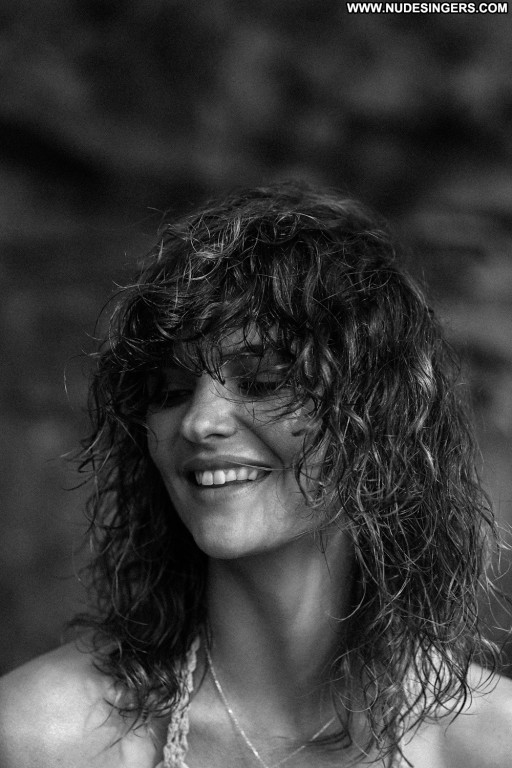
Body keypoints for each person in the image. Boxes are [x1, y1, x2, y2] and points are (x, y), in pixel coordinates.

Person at [1, 180, 511, 768]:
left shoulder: (492, 744)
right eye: (169, 390)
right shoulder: (42, 735)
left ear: (381, 414)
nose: (198, 421)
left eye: (263, 381)